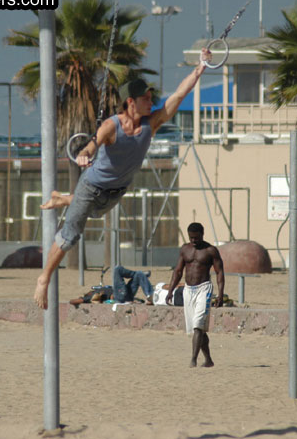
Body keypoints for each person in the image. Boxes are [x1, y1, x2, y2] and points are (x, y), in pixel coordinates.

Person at [34, 48, 213, 310]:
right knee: (71, 235)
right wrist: (84, 155)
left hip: (117, 190)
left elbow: (179, 95)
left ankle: (62, 199)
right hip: (91, 185)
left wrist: (200, 68)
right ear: (131, 102)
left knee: (93, 214)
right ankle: (43, 278)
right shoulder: (112, 125)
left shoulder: (150, 124)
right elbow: (91, 146)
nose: (151, 102)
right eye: (146, 98)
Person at [165, 222, 224, 368]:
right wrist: (170, 290)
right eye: (191, 238)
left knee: (198, 325)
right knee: (197, 329)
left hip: (204, 289)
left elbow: (219, 273)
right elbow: (178, 271)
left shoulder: (211, 251)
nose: (193, 241)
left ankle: (193, 359)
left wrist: (220, 294)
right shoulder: (185, 249)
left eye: (196, 238)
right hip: (188, 290)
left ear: (202, 234)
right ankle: (208, 360)